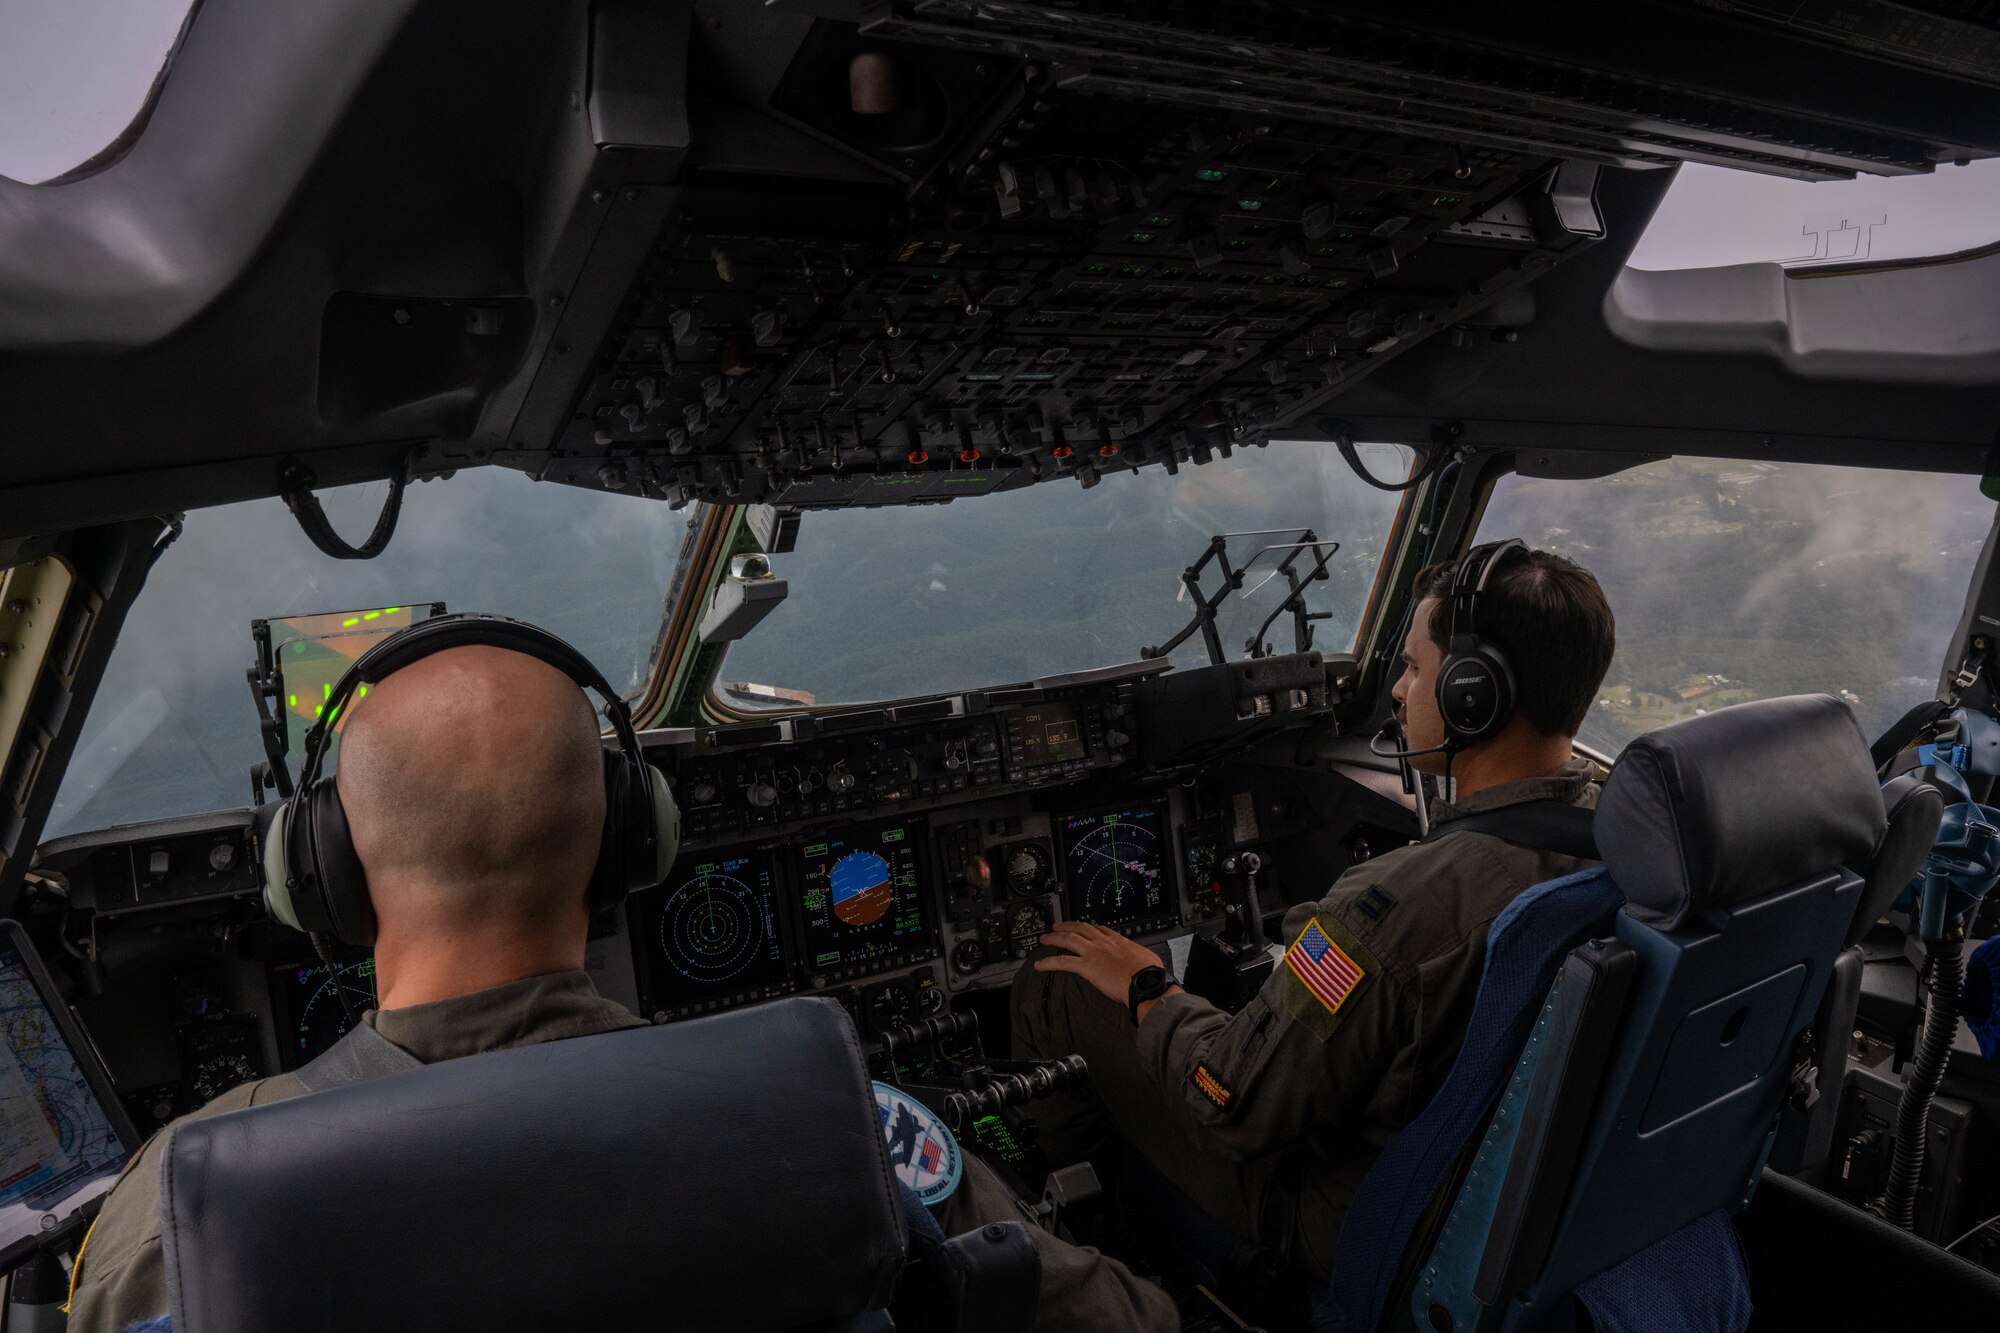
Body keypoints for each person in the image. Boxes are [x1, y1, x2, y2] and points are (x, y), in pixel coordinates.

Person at [67, 643, 1174, 1333]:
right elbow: (1127, 1319)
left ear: (325, 876)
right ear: (627, 847)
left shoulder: (191, 1204)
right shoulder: (833, 1122)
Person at [1012, 541, 1617, 1284]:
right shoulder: (1625, 845)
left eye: (1416, 668)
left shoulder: (1392, 906)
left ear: (1473, 692)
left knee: (1058, 976)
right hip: (1505, 1203)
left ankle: (1079, 1226)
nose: (1397, 689)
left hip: (1349, 1222)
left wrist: (1146, 986)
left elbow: (1233, 1100)